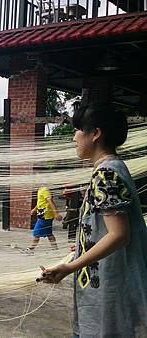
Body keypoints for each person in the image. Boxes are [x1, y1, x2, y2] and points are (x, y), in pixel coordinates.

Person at [39, 103, 147, 337]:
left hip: (109, 284)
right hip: (107, 280)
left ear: (95, 133)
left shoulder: (106, 174)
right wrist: (83, 246)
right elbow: (108, 229)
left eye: (77, 130)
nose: (74, 138)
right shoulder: (115, 168)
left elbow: (119, 235)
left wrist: (69, 267)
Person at [26, 186, 61, 251]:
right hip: (44, 215)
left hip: (45, 215)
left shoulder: (44, 190)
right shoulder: (41, 189)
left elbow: (50, 201)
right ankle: (55, 248)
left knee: (36, 232)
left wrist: (56, 213)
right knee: (48, 233)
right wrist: (35, 209)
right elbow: (41, 202)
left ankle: (32, 248)